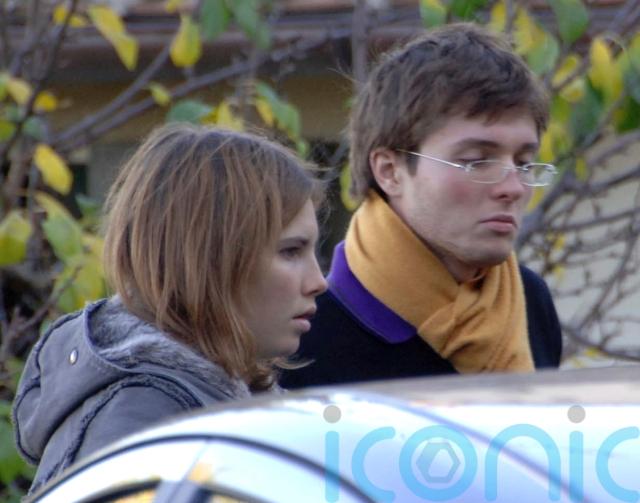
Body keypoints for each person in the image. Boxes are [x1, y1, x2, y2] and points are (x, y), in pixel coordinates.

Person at [13, 124, 327, 492]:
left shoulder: (197, 404)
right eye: (291, 251)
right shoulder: (145, 425)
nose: (318, 281)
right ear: (211, 259)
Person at [280, 23, 562, 389]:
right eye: (477, 161)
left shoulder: (528, 299)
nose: (513, 187)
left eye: (524, 163)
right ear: (389, 171)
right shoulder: (302, 333)